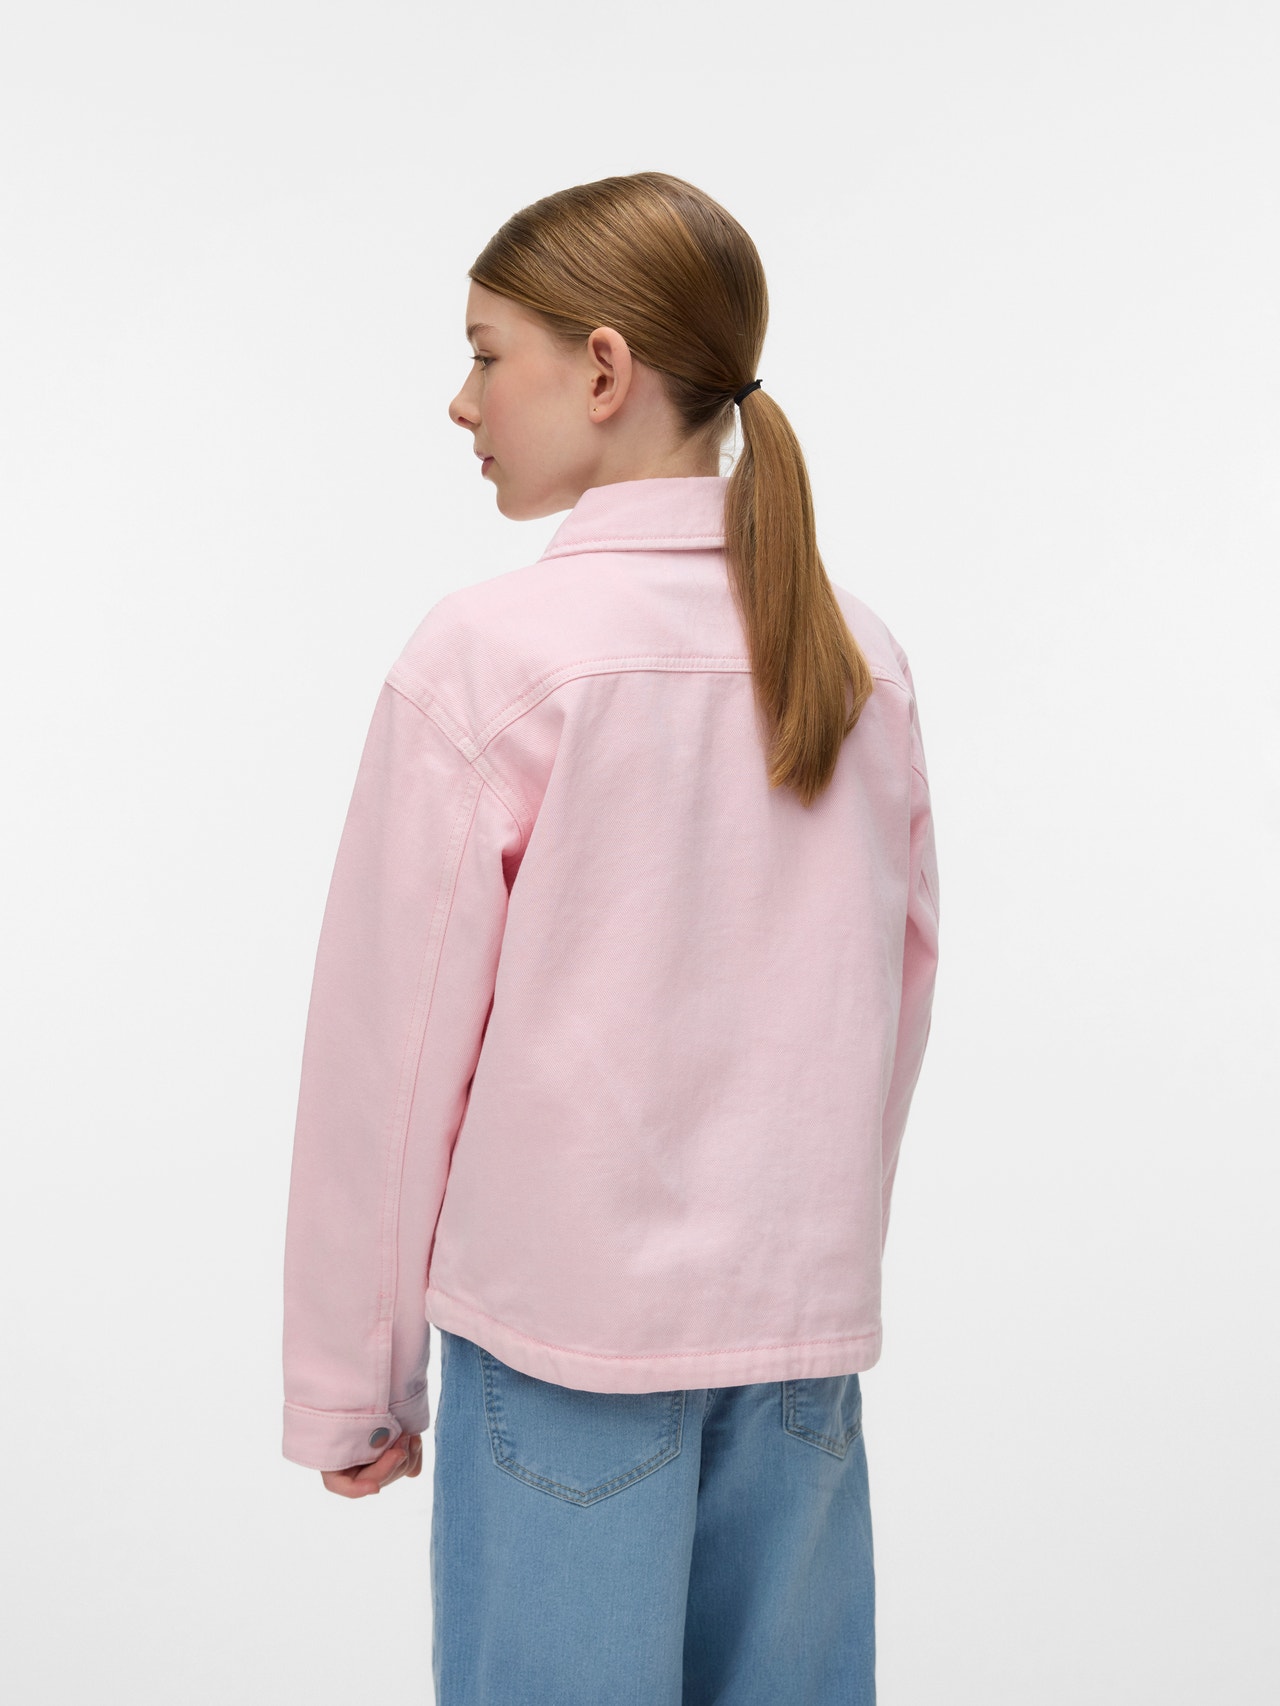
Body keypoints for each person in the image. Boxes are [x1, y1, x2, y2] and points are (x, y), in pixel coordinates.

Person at [281, 170, 940, 1706]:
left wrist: (352, 1379)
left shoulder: (495, 657)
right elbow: (894, 1003)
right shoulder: (857, 655)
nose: (461, 401)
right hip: (798, 1347)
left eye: (483, 352)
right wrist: (812, 1249)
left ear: (601, 369)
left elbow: (392, 1059)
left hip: (565, 1348)